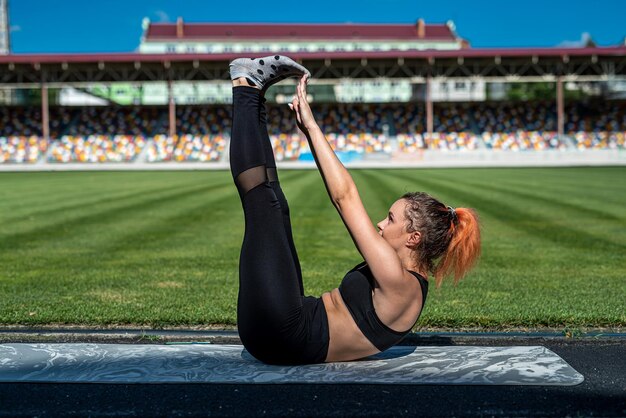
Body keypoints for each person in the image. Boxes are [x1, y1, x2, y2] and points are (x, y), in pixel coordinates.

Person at [228, 56, 481, 365]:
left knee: (263, 201)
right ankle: (256, 94)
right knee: (274, 202)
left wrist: (311, 128)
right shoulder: (409, 283)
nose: (380, 224)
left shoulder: (398, 281)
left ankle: (244, 86)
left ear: (413, 237)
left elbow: (344, 197)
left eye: (390, 219)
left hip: (281, 334)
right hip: (286, 326)